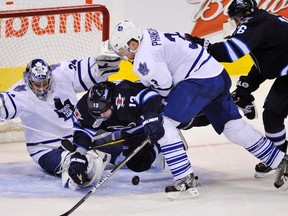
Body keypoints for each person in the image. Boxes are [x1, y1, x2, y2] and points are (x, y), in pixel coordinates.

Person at [108, 19, 288, 198]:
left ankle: (184, 180)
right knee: (234, 127)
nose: (122, 54)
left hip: (199, 82)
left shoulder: (143, 60)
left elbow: (164, 89)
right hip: (217, 75)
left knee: (165, 124)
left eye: (122, 49)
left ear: (133, 43)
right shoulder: (149, 33)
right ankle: (281, 161)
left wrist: (153, 113)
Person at [184, 0, 288, 178]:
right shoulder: (264, 20)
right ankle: (278, 158)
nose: (235, 23)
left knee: (273, 113)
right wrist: (246, 86)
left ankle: (279, 159)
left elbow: (231, 53)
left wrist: (203, 45)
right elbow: (269, 62)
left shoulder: (255, 22)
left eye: (234, 18)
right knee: (272, 114)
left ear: (243, 15)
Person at [0, 42, 121, 189]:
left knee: (124, 145)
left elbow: (90, 70)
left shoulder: (62, 73)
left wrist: (104, 62)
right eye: (37, 84)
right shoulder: (19, 94)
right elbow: (5, 104)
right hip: (46, 149)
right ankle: (88, 161)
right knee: (83, 166)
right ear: (28, 80)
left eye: (45, 82)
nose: (42, 88)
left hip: (79, 137)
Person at [64, 79, 165, 190]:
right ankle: (153, 146)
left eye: (103, 111)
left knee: (154, 132)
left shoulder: (125, 96)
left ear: (111, 103)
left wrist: (152, 117)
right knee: (137, 163)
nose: (101, 115)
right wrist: (79, 155)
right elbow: (83, 131)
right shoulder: (84, 108)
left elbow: (150, 96)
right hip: (127, 130)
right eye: (96, 113)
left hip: (143, 121)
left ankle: (160, 144)